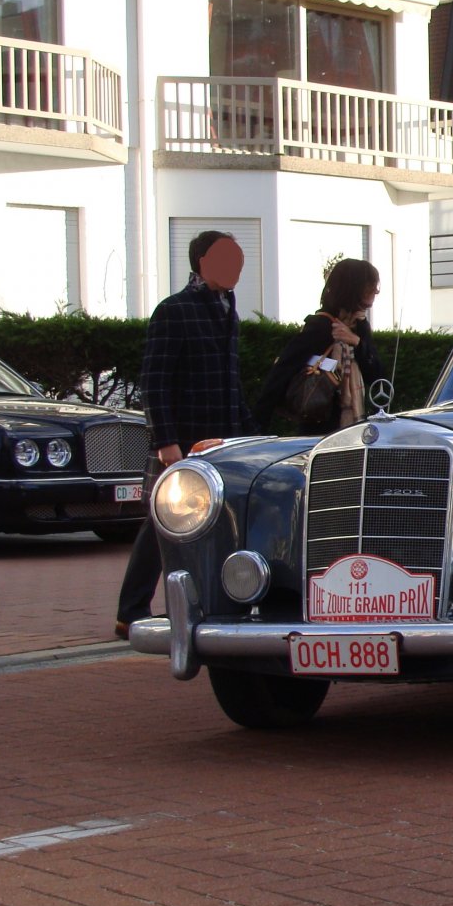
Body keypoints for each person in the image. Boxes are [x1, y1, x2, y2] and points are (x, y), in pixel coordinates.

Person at [114, 231, 255, 639]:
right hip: (182, 438)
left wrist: (249, 433)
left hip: (220, 437)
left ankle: (214, 602)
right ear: (202, 262)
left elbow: (230, 378)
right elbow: (154, 380)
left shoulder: (227, 308)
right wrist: (164, 440)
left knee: (215, 521)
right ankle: (130, 611)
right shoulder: (173, 310)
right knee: (162, 522)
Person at [253, 258, 385, 435]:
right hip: (318, 426)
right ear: (354, 290)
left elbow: (378, 376)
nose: (373, 297)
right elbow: (282, 371)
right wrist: (258, 426)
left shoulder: (360, 326)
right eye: (369, 290)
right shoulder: (322, 326)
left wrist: (356, 342)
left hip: (353, 429)